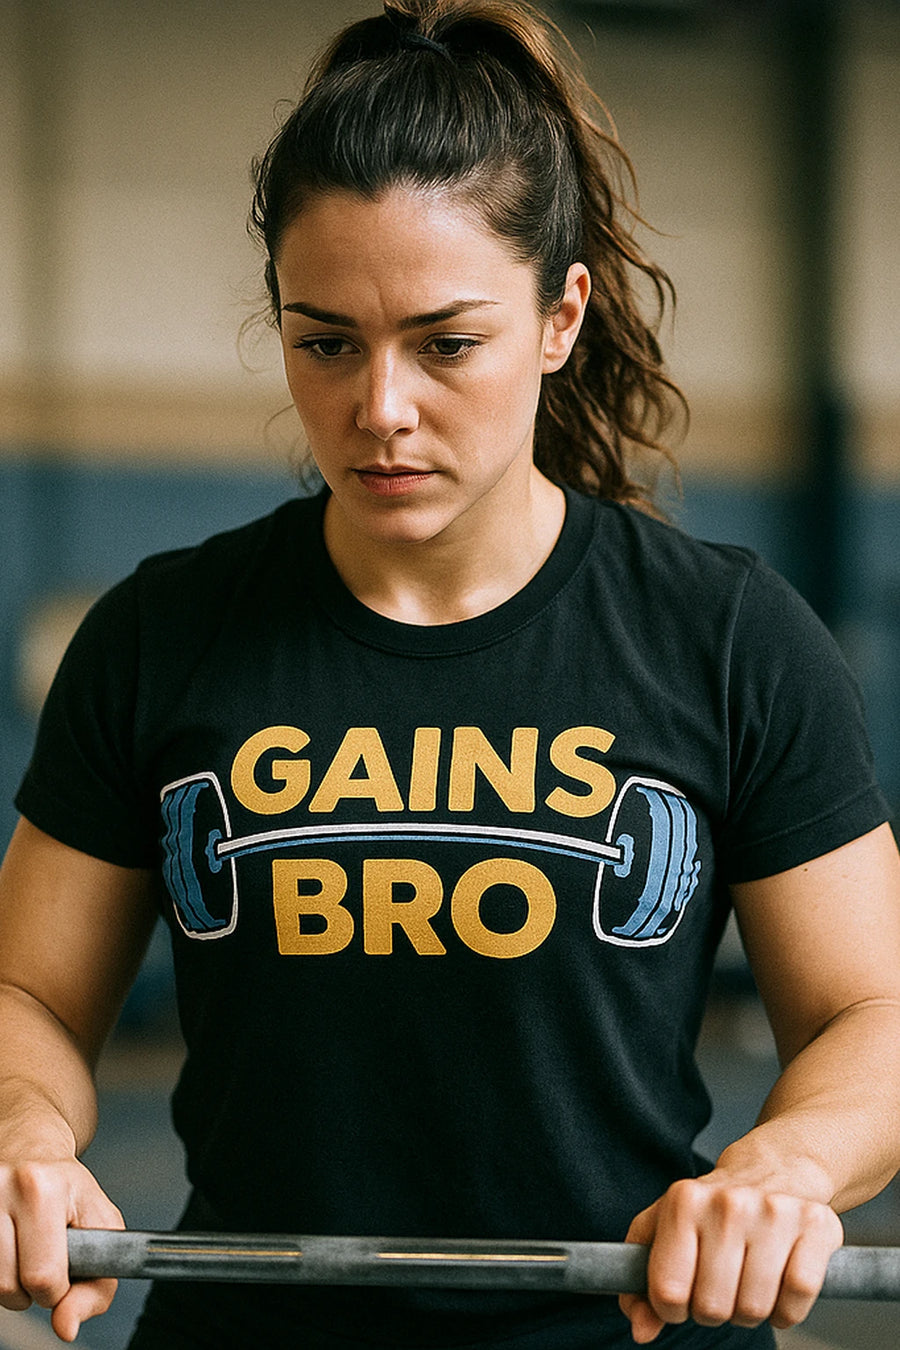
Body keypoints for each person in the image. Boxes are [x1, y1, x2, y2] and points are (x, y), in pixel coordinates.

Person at [1, 1, 899, 1346]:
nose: (380, 406)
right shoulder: (161, 634)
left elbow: (869, 1012)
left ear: (559, 315)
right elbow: (33, 995)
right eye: (325, 341)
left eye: (446, 341)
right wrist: (24, 1130)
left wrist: (787, 1165)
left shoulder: (726, 637)